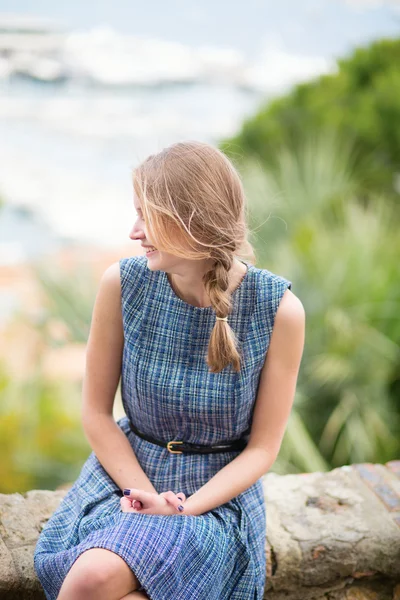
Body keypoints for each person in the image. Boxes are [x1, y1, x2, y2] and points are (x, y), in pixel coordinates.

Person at [34, 140, 305, 600]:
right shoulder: (123, 284)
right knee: (95, 578)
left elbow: (262, 450)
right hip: (125, 476)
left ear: (193, 222)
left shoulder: (279, 309)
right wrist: (144, 498)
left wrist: (182, 510)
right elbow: (97, 415)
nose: (134, 232)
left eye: (148, 216)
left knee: (96, 581)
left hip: (215, 501)